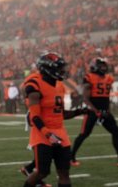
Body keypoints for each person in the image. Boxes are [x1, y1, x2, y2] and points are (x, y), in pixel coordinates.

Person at [23, 52, 84, 187]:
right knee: (42, 173)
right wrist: (48, 134)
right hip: (42, 134)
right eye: (58, 68)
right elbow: (35, 116)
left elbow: (60, 113)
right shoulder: (34, 84)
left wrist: (80, 111)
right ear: (48, 69)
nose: (62, 71)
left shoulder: (59, 85)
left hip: (60, 133)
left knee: (64, 173)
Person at [71, 57, 118, 167]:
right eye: (101, 65)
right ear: (95, 66)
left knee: (116, 132)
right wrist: (96, 111)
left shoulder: (109, 78)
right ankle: (71, 157)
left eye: (105, 65)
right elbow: (85, 98)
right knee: (84, 134)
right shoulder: (89, 77)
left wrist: (107, 111)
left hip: (104, 111)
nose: (104, 67)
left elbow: (105, 97)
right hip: (93, 111)